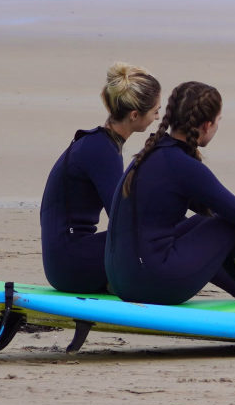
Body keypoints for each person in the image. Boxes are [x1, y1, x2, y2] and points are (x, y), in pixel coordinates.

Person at [105, 81, 235, 317]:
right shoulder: (183, 165)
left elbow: (211, 209)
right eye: (218, 122)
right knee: (231, 223)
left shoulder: (152, 154)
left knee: (214, 222)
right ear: (207, 125)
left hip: (124, 281)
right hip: (153, 284)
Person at [39, 63, 160, 293]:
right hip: (70, 264)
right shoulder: (102, 151)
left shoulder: (100, 144)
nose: (157, 117)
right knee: (159, 237)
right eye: (155, 111)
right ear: (134, 115)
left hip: (66, 260)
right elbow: (123, 217)